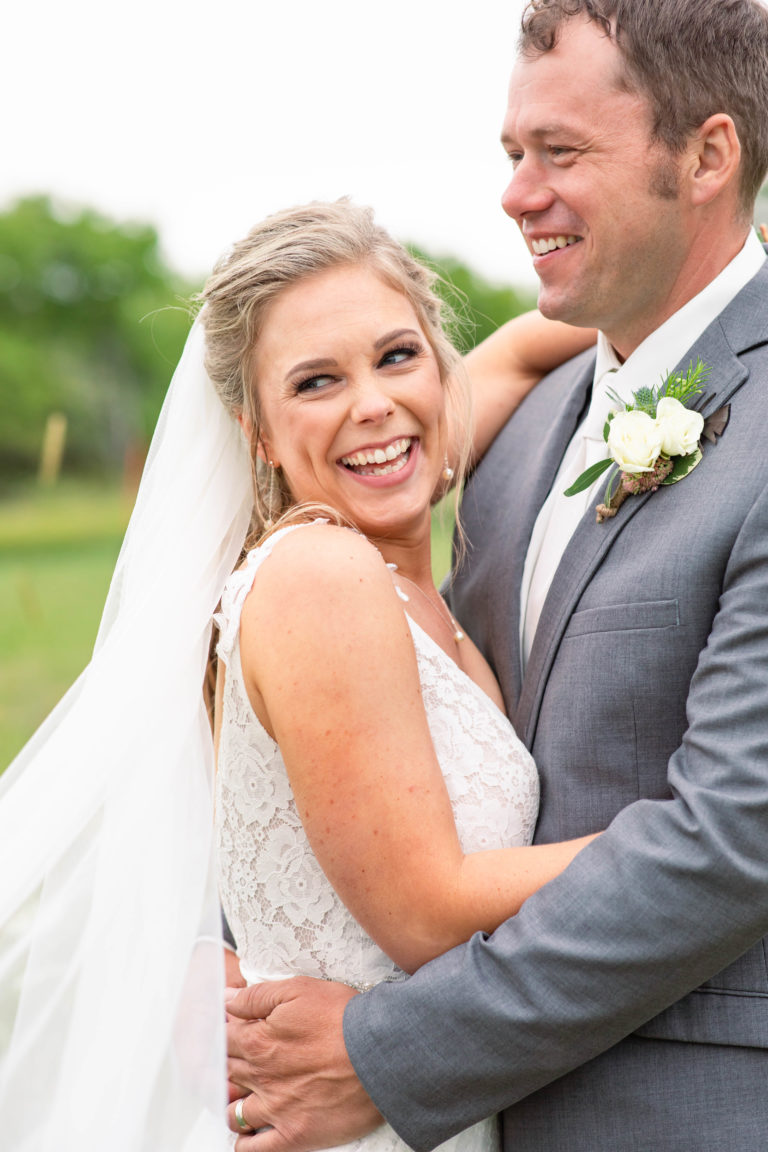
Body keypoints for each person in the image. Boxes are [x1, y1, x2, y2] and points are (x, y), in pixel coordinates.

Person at [223, 1, 768, 1150]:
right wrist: (247, 942)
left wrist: (393, 1050)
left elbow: (738, 837)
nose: (517, 195)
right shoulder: (510, 444)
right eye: (513, 155)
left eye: (560, 153)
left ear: (710, 155)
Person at [0, 197, 594, 1150]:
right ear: (260, 434)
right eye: (316, 381)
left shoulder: (389, 556)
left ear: (442, 369)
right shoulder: (323, 574)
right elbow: (422, 912)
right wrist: (682, 836)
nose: (372, 403)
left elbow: (525, 350)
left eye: (397, 356)